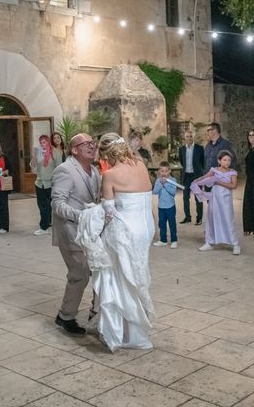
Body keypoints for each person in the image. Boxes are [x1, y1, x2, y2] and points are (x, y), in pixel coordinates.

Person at [91, 132, 155, 350]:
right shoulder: (141, 165)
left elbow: (108, 212)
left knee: (118, 278)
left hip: (125, 230)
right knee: (136, 274)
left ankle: (123, 333)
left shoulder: (110, 175)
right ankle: (135, 329)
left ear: (108, 154)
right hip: (145, 228)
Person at [51, 133, 101, 335]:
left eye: (93, 143)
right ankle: (65, 316)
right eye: (86, 143)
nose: (92, 146)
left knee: (99, 270)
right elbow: (57, 204)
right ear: (74, 149)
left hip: (90, 233)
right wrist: (81, 217)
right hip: (70, 231)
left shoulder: (95, 171)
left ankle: (96, 312)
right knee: (79, 274)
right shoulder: (65, 170)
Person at [194, 150, 240, 255]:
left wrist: (218, 182)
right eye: (224, 160)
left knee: (228, 219)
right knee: (212, 218)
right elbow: (205, 177)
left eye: (229, 160)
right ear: (219, 161)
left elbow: (233, 186)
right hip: (215, 199)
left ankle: (235, 244)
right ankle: (209, 242)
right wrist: (196, 181)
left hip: (226, 199)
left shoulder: (232, 172)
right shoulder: (214, 170)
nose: (227, 162)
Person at [31, 134, 62, 235]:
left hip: (52, 183)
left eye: (44, 142)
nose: (42, 144)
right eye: (40, 142)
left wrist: (58, 182)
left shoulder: (56, 152)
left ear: (48, 142)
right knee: (42, 206)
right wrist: (35, 155)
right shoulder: (39, 153)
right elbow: (33, 166)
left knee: (53, 206)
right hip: (40, 183)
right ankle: (44, 227)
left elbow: (59, 168)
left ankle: (54, 225)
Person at [178, 130, 204, 225]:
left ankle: (199, 218)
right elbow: (182, 161)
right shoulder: (181, 149)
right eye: (187, 136)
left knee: (198, 197)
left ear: (193, 137)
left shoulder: (199, 148)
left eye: (190, 136)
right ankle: (187, 217)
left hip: (196, 176)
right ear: (185, 138)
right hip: (186, 176)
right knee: (185, 198)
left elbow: (203, 162)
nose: (189, 138)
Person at [153, 161, 178, 249]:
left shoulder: (173, 180)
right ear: (159, 172)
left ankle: (174, 240)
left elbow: (173, 192)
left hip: (170, 206)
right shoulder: (158, 180)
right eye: (162, 171)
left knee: (172, 224)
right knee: (162, 224)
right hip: (161, 207)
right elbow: (155, 192)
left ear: (169, 171)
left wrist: (166, 184)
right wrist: (160, 184)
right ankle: (163, 240)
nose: (164, 173)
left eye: (166, 171)